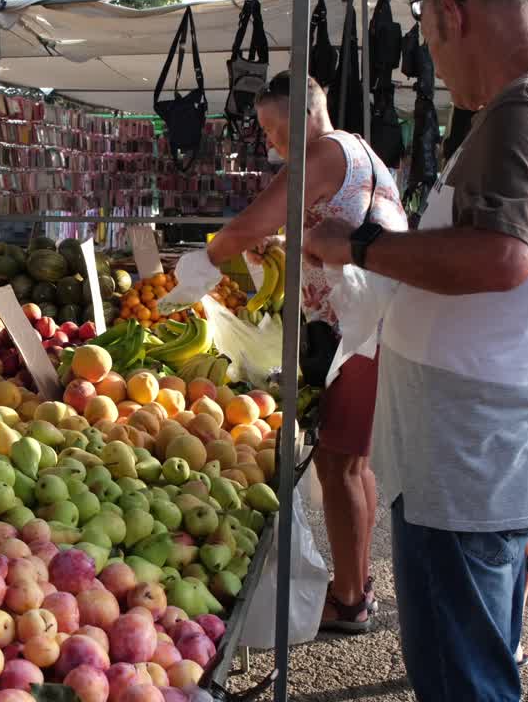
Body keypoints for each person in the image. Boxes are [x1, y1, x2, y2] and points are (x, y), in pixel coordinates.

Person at [301, 0, 528, 699]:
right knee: (479, 660)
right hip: (495, 440)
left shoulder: (525, 109)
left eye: (427, 35)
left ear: (450, 11)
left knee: (460, 678)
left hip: (469, 454)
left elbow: (502, 256)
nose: (432, 63)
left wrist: (360, 245)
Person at [165, 71, 408, 632]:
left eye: (275, 128)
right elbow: (328, 224)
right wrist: (280, 245)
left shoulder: (323, 153)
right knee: (352, 462)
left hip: (359, 332)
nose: (272, 142)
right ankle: (357, 584)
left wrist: (205, 262)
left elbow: (250, 221)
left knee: (339, 463)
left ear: (305, 114)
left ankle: (349, 600)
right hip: (370, 327)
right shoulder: (355, 149)